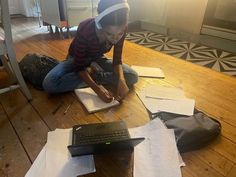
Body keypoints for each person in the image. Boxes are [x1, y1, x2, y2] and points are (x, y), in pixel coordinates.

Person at [43, 0, 138, 103]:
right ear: (101, 25)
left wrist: (121, 80)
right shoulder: (85, 28)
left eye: (119, 34)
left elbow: (117, 61)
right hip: (76, 59)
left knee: (132, 76)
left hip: (97, 59)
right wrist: (97, 89)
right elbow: (79, 66)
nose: (115, 39)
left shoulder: (122, 28)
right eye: (109, 34)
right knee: (49, 84)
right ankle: (96, 75)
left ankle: (92, 74)